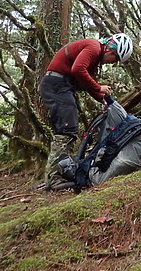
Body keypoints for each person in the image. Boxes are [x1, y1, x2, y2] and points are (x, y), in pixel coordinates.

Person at [40, 33, 133, 191]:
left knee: (66, 131)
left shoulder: (95, 57)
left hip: (61, 86)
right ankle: (54, 179)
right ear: (111, 51)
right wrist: (99, 87)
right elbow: (78, 69)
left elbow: (85, 82)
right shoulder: (93, 47)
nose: (113, 63)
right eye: (115, 59)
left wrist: (104, 100)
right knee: (67, 131)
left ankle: (53, 176)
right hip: (57, 85)